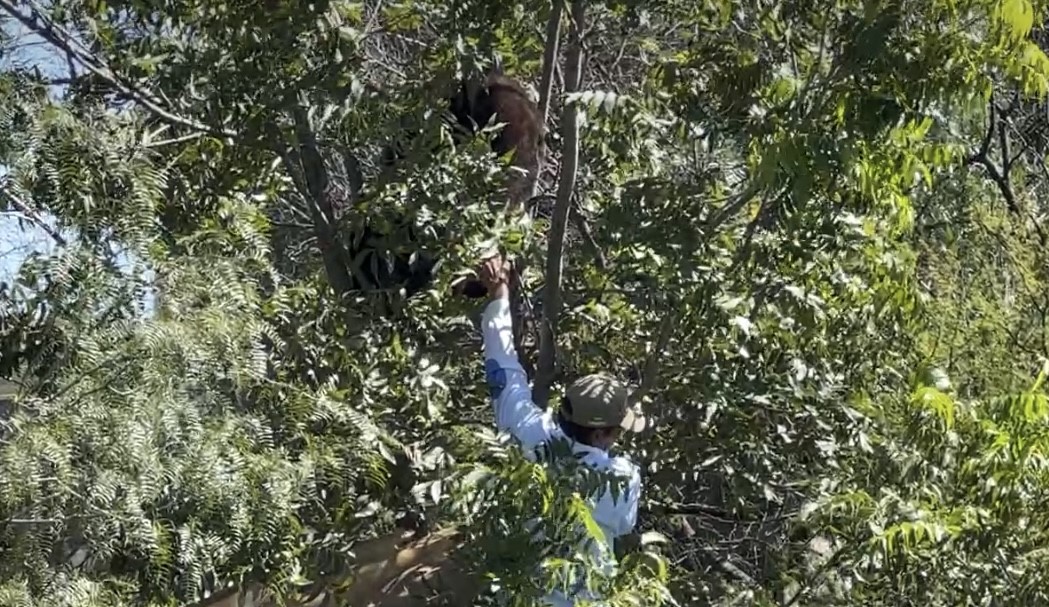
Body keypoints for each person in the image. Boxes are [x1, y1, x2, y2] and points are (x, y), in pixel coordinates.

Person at [478, 254, 646, 606]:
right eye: (617, 430)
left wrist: (499, 294)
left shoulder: (526, 429)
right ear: (601, 434)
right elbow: (625, 526)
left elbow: (502, 367)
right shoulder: (622, 478)